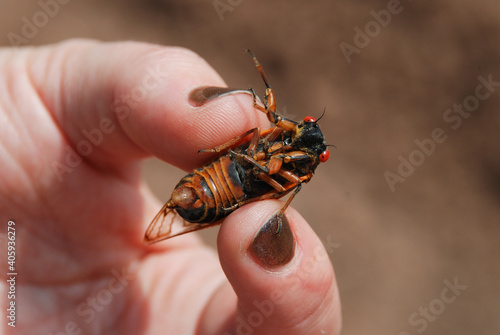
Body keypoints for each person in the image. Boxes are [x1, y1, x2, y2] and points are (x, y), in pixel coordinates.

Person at [1, 39, 341, 334]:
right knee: (251, 130)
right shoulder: (287, 134)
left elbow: (277, 192)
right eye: (308, 124)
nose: (308, 134)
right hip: (225, 170)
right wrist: (255, 93)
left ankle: (187, 210)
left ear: (317, 158)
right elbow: (261, 121)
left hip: (236, 191)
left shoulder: (297, 175)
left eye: (319, 153)